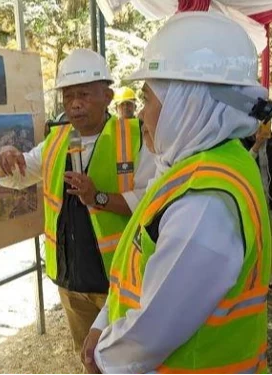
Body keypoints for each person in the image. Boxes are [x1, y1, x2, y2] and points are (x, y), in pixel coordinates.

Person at [82, 11, 272, 374]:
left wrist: (102, 358)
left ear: (189, 104)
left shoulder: (204, 203)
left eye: (148, 99)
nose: (140, 115)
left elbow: (150, 334)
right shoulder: (201, 166)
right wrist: (102, 320)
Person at [0, 48, 155, 364]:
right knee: (89, 360)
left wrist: (99, 198)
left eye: (83, 94)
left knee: (127, 364)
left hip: (119, 284)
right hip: (71, 284)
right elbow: (15, 175)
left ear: (107, 96)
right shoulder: (56, 141)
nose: (74, 104)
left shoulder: (136, 136)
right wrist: (5, 161)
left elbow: (150, 203)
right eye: (68, 97)